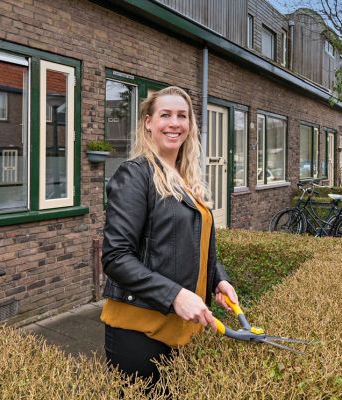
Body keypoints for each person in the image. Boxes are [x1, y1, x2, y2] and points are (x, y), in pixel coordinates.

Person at [100, 86, 238, 385]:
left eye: (182, 116)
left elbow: (190, 242)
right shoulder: (135, 175)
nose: (174, 123)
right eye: (166, 115)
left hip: (182, 328)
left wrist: (219, 279)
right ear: (148, 122)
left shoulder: (185, 177)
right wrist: (173, 295)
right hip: (140, 330)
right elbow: (115, 258)